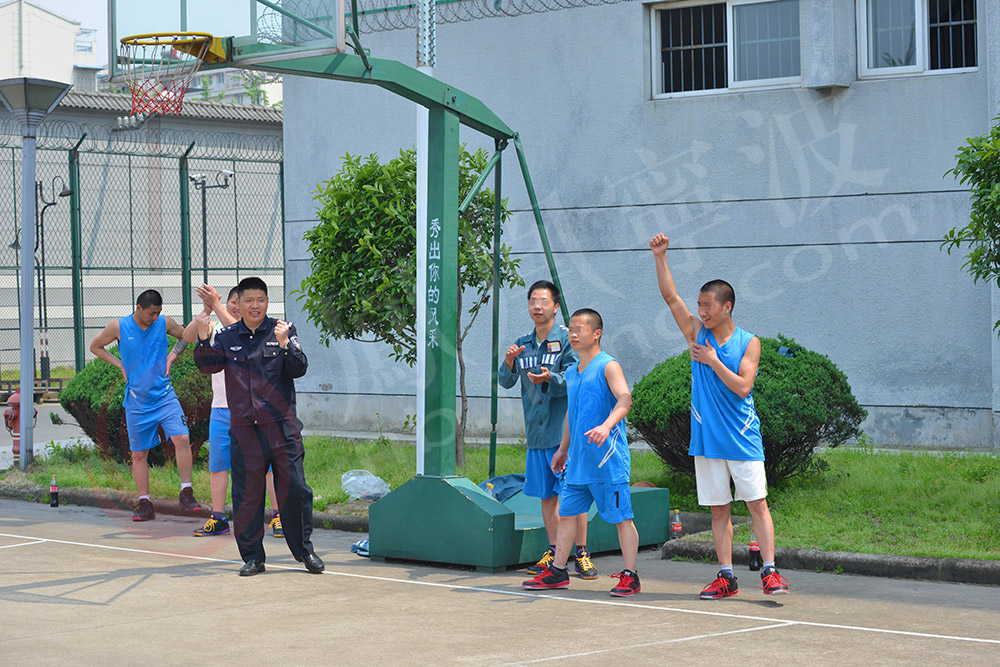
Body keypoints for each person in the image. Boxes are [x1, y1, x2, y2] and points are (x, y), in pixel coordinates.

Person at [649, 233, 789, 598]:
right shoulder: (696, 332)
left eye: (708, 305)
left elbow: (743, 386)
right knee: (718, 511)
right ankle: (726, 576)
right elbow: (670, 297)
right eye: (700, 305)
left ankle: (770, 572)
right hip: (707, 439)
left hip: (742, 437)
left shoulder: (748, 341)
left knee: (757, 504)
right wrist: (660, 256)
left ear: (727, 307)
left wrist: (711, 361)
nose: (702, 311)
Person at [193, 277, 323, 576]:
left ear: (267, 302)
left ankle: (304, 552)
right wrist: (202, 338)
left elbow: (299, 368)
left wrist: (285, 344)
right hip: (245, 431)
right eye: (248, 301)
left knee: (296, 490)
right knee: (248, 495)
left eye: (260, 300)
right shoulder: (226, 335)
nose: (255, 306)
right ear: (237, 303)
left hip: (282, 428)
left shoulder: (283, 330)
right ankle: (253, 557)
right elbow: (208, 366)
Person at [522, 308, 639, 597]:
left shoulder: (608, 365)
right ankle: (559, 571)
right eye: (571, 329)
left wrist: (606, 425)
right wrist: (563, 449)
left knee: (622, 518)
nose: (573, 334)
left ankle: (631, 576)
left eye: (580, 329)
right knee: (568, 515)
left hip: (607, 462)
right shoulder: (572, 372)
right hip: (577, 463)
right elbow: (570, 416)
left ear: (597, 334)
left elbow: (625, 398)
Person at [498, 280, 596, 579]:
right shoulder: (522, 343)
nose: (537, 306)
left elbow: (575, 376)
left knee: (573, 494)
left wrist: (549, 379)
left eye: (543, 301)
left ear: (556, 306)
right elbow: (505, 381)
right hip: (537, 434)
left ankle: (580, 553)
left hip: (562, 433)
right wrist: (508, 362)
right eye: (532, 301)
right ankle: (554, 552)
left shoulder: (569, 340)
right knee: (546, 496)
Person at [89, 289, 202, 521]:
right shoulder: (118, 327)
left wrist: (173, 355)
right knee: (139, 454)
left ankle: (186, 492)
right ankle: (145, 503)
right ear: (139, 308)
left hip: (165, 397)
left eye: (158, 313)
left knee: (182, 438)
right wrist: (120, 365)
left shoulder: (164, 323)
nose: (155, 317)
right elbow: (95, 347)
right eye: (152, 313)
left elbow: (187, 336)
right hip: (137, 402)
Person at [183, 284, 284, 539]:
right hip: (221, 409)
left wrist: (216, 306)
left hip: (256, 411)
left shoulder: (259, 333)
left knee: (268, 465)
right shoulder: (218, 330)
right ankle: (218, 517)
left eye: (248, 303)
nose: (240, 309)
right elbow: (188, 335)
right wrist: (206, 310)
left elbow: (235, 331)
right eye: (234, 304)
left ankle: (277, 514)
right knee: (218, 464)